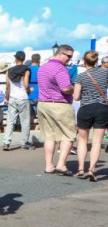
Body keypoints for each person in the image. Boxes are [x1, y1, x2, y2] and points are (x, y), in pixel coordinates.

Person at [37, 44, 76, 175]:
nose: (69, 59)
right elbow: (65, 88)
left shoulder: (43, 67)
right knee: (68, 135)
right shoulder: (60, 69)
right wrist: (75, 89)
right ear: (60, 54)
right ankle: (61, 164)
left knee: (49, 136)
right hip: (59, 104)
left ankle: (49, 165)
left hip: (43, 103)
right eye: (68, 56)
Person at [72, 50, 108, 182]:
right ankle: (92, 170)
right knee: (97, 141)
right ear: (96, 60)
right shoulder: (105, 72)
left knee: (82, 140)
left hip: (86, 108)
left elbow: (76, 97)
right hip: (102, 108)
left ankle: (81, 169)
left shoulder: (80, 76)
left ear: (84, 61)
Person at [4, 51, 33, 150]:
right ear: (23, 59)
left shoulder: (9, 71)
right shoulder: (26, 70)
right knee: (25, 121)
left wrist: (7, 98)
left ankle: (6, 142)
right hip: (23, 97)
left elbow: (7, 86)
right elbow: (26, 85)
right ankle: (25, 142)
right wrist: (29, 90)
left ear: (16, 58)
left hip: (12, 97)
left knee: (10, 121)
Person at [28, 53, 41, 123]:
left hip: (29, 94)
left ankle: (31, 127)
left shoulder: (27, 69)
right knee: (40, 115)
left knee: (30, 115)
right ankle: (37, 128)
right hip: (39, 94)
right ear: (39, 60)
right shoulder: (40, 69)